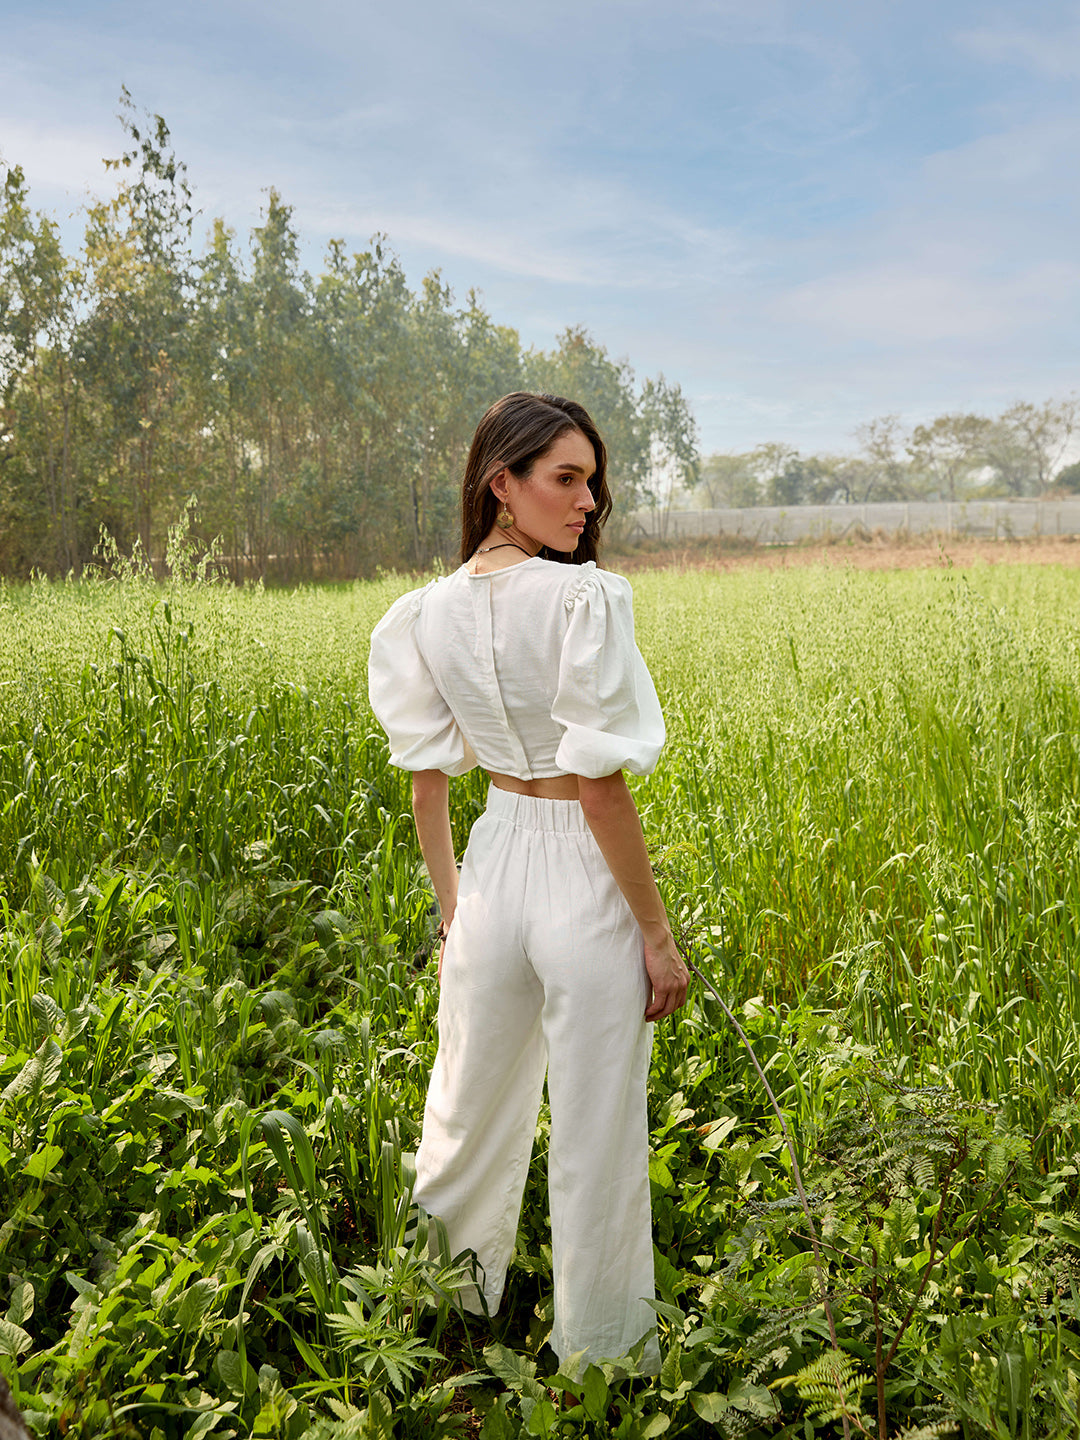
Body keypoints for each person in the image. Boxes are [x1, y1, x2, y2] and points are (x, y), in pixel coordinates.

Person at [367, 391, 689, 1372]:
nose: (589, 499)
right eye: (567, 478)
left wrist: (455, 909)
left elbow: (429, 785)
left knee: (463, 1105)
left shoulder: (422, 614)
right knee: (596, 1130)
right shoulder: (586, 599)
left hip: (493, 862)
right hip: (575, 874)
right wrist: (656, 932)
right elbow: (599, 792)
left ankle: (433, 1310)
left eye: (592, 479)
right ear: (500, 484)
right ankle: (604, 1362)